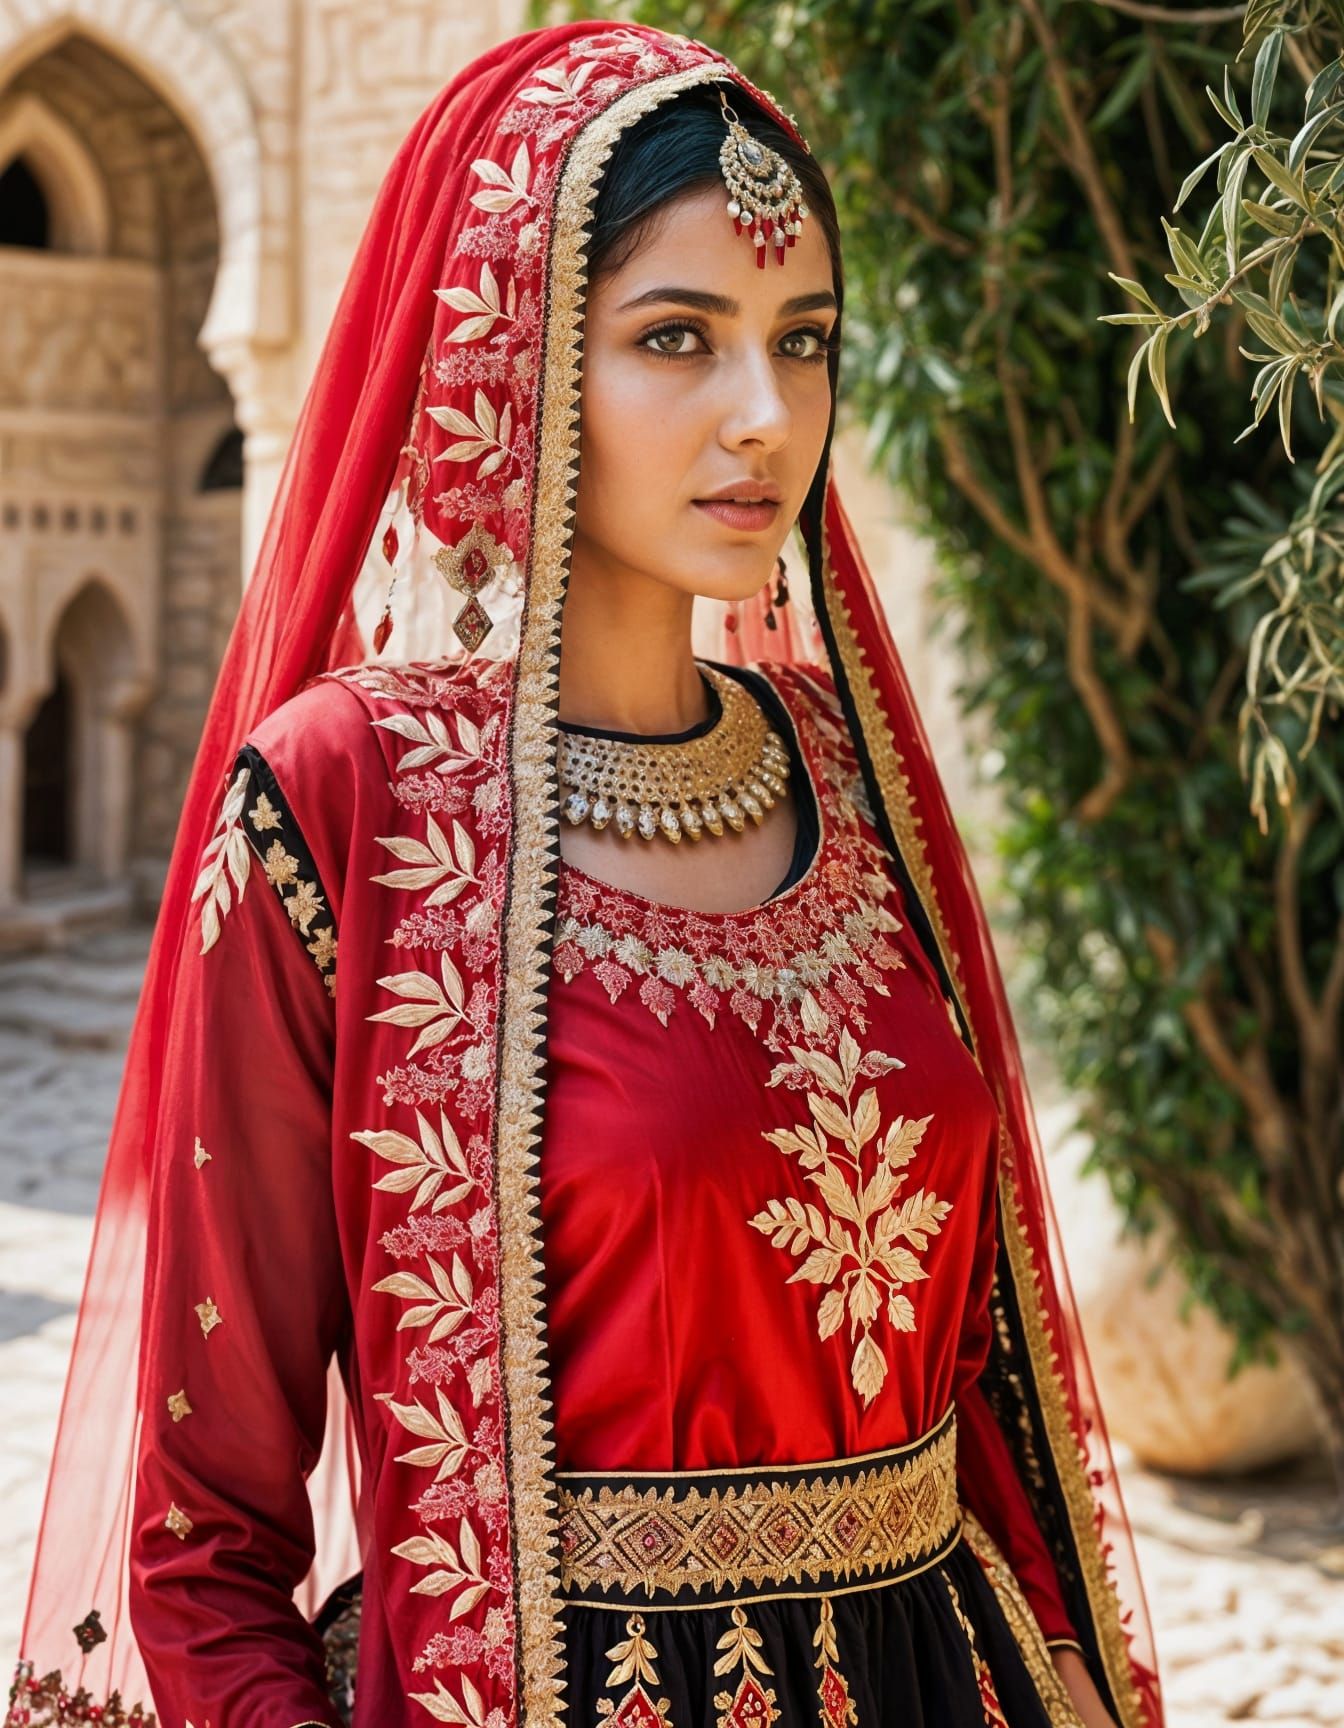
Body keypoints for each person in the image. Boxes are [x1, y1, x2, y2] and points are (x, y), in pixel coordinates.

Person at [6, 22, 1164, 1728]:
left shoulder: (847, 775)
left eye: (806, 342)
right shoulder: (350, 808)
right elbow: (203, 1548)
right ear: (511, 362)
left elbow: (993, 1405)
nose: (765, 416)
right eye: (676, 340)